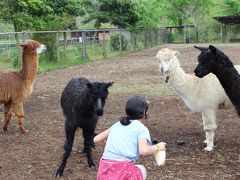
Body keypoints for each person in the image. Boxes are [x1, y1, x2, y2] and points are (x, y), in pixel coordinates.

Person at [94, 95, 166, 180]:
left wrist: (115, 149)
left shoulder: (117, 124)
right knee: (142, 170)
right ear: (144, 113)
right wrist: (158, 146)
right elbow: (143, 151)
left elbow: (96, 139)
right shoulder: (141, 129)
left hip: (104, 170)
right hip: (122, 170)